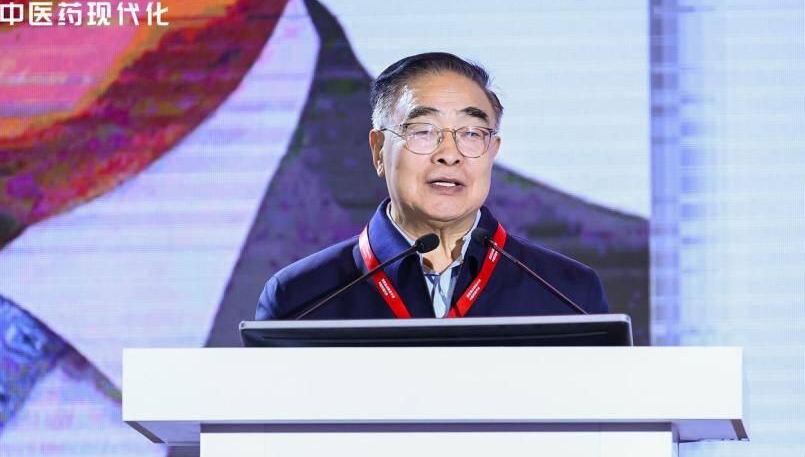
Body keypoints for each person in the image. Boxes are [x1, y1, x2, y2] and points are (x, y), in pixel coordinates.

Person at [256, 53, 610, 321]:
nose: (449, 155)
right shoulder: (302, 297)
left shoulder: (567, 293)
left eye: (471, 133)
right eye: (424, 131)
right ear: (378, 150)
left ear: (493, 152)